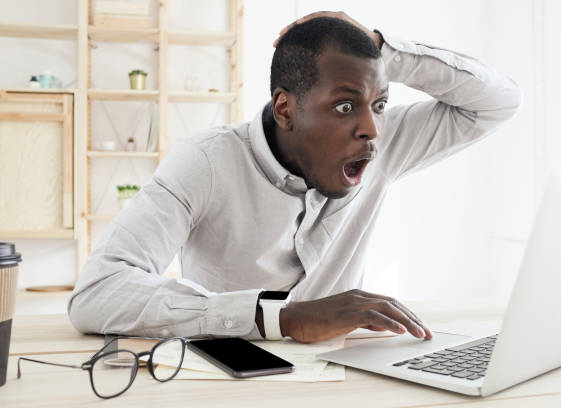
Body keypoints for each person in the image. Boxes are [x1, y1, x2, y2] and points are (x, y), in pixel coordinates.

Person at [68, 12, 521, 344]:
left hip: (344, 376)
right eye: (345, 106)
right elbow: (98, 292)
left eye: (379, 104)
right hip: (230, 377)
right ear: (286, 109)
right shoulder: (206, 162)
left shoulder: (383, 143)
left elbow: (498, 102)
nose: (372, 129)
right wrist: (279, 318)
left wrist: (381, 51)